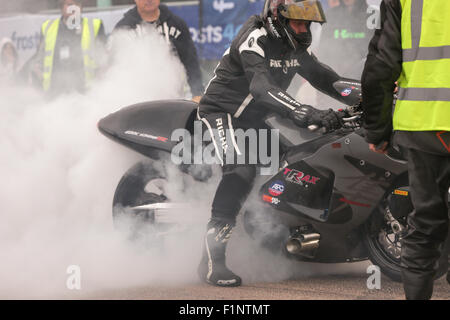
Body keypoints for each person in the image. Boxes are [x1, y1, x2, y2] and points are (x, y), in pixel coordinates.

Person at [196, 0, 356, 287]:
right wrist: (303, 110)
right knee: (242, 171)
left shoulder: (295, 48)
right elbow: (261, 87)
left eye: (307, 24)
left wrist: (372, 95)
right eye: (297, 23)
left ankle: (276, 238)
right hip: (222, 112)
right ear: (276, 19)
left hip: (256, 118)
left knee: (299, 161)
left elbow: (327, 79)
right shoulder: (254, 37)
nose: (303, 29)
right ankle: (211, 261)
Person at [361, 0, 449, 299]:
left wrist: (378, 128)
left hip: (424, 126)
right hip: (424, 125)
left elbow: (382, 64)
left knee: (426, 222)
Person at [114, 0, 204, 102]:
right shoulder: (123, 29)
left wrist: (198, 93)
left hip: (175, 100)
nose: (149, 0)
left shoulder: (177, 25)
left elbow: (191, 62)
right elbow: (113, 69)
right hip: (136, 102)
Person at [32, 0, 106, 96]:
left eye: (77, 4)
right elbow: (39, 59)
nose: (74, 8)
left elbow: (104, 58)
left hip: (85, 92)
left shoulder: (94, 26)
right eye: (70, 5)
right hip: (54, 92)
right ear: (62, 7)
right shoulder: (48, 27)